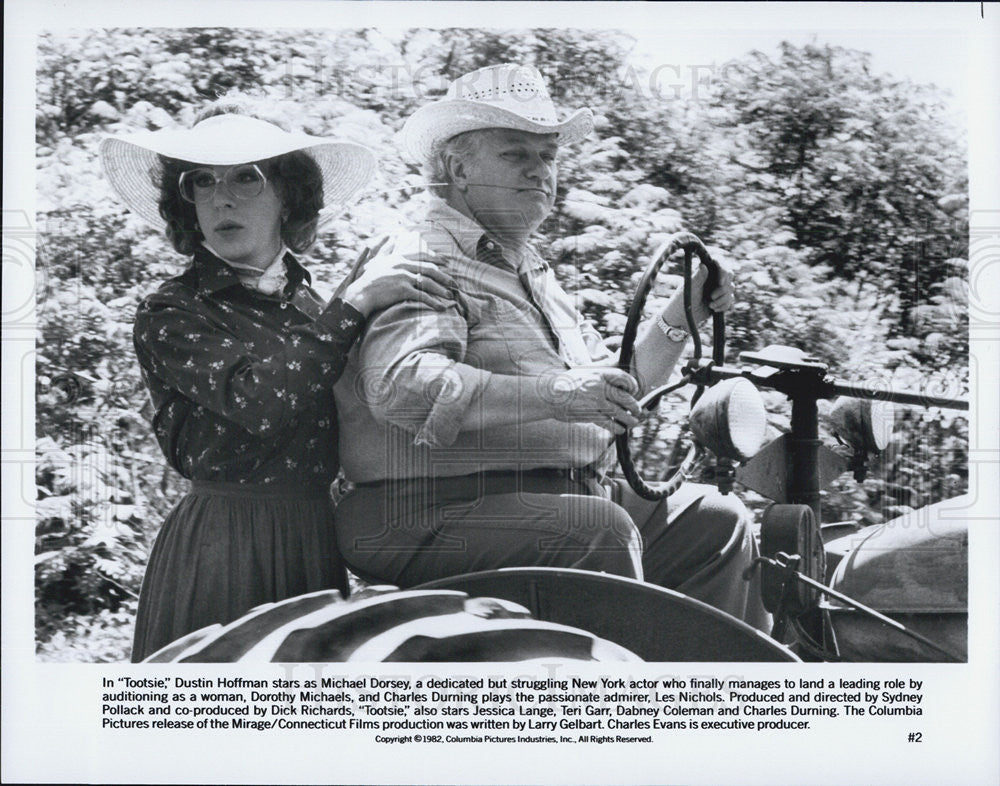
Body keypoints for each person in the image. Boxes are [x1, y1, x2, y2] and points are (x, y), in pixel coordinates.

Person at [333, 64, 770, 630]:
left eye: (549, 156)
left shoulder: (531, 269)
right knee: (596, 529)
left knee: (717, 518)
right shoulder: (421, 254)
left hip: (559, 497)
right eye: (517, 154)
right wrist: (557, 393)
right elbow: (402, 388)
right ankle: (612, 713)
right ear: (458, 168)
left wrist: (681, 316)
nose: (541, 171)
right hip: (424, 510)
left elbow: (614, 389)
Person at [100, 97, 454, 661]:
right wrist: (356, 302)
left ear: (288, 193)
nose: (223, 197)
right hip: (223, 544)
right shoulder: (172, 310)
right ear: (186, 201)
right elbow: (259, 400)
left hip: (315, 535)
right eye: (202, 182)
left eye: (247, 177)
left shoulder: (314, 306)